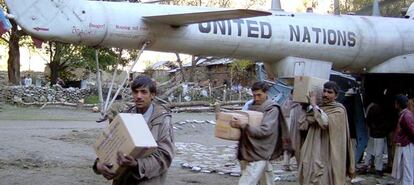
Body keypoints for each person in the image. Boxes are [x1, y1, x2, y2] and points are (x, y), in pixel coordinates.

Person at [93, 75, 175, 185]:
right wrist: (99, 164)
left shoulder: (162, 120)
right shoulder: (125, 117)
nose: (139, 96)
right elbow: (109, 147)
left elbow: (164, 157)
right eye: (135, 92)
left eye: (143, 92)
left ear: (152, 95)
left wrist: (137, 164)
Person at [231, 81, 291, 185]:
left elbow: (265, 130)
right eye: (254, 95)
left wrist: (243, 125)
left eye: (259, 95)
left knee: (247, 181)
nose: (256, 98)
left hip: (261, 150)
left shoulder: (272, 108)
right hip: (248, 148)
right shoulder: (250, 106)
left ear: (266, 92)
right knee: (266, 179)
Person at [298, 81, 355, 185]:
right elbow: (304, 123)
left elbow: (324, 122)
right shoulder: (320, 107)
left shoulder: (339, 110)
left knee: (325, 177)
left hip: (329, 150)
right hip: (313, 147)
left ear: (336, 95)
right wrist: (307, 106)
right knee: (309, 173)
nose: (325, 94)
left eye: (329, 92)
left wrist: (314, 106)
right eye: (324, 91)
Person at [391, 94, 414, 185]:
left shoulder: (406, 115)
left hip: (407, 146)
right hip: (404, 145)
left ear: (398, 104)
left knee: (407, 170)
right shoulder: (404, 114)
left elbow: (413, 131)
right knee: (402, 170)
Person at [360, 101, 387, 176]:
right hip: (379, 133)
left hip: (374, 133)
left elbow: (368, 120)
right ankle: (378, 169)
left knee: (370, 151)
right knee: (378, 153)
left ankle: (366, 166)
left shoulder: (371, 107)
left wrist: (373, 127)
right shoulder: (380, 108)